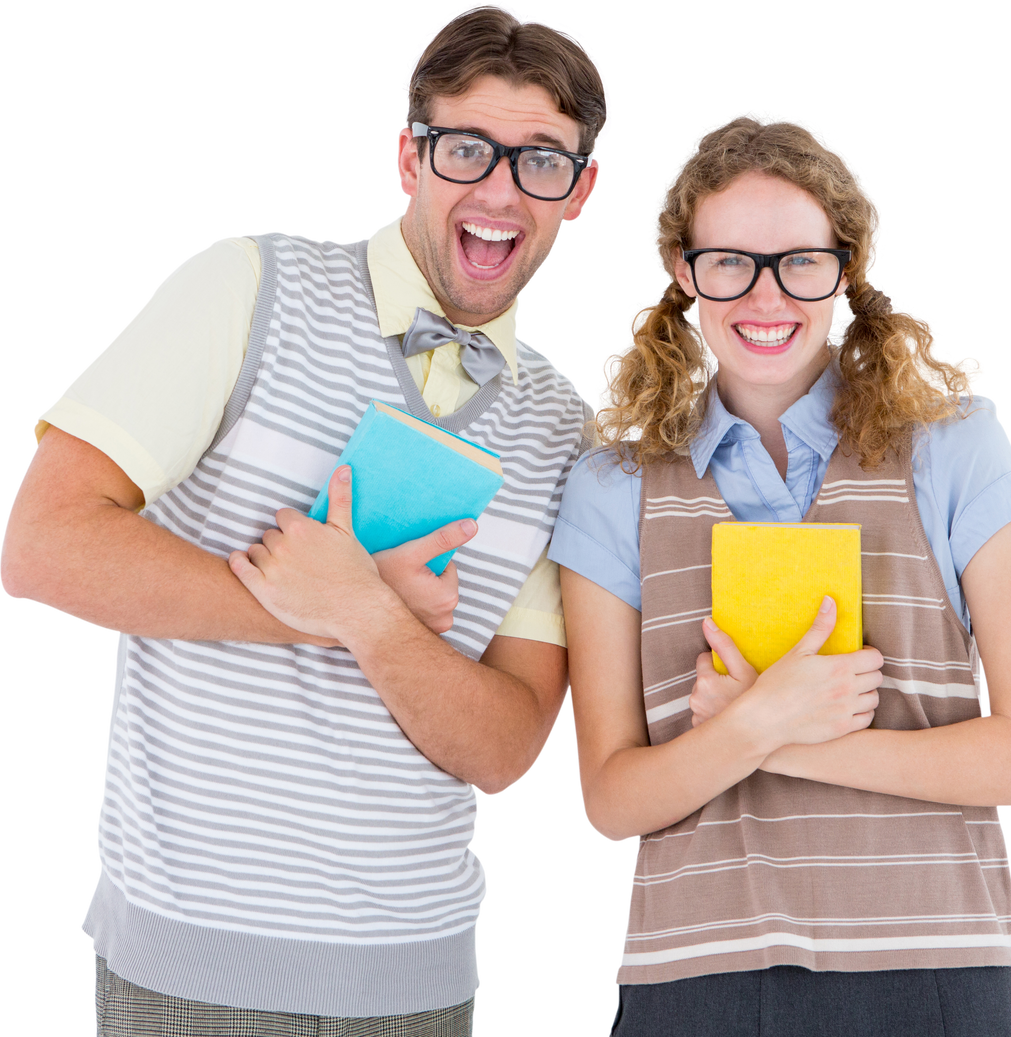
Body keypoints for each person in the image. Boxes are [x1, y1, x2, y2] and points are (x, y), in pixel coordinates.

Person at [0, 4, 610, 1034]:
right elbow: (43, 545)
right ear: (408, 157)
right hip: (189, 971)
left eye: (541, 160)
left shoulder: (569, 431)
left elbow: (507, 748)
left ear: (581, 190)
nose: (501, 190)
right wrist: (320, 605)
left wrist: (369, 618)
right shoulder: (249, 286)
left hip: (423, 986)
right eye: (467, 149)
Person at [548, 109, 1011, 1036]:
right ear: (683, 270)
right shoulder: (611, 481)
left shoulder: (955, 443)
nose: (766, 298)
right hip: (697, 977)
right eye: (730, 262)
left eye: (800, 261)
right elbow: (612, 799)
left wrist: (776, 734)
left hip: (940, 968)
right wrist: (760, 718)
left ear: (845, 267)